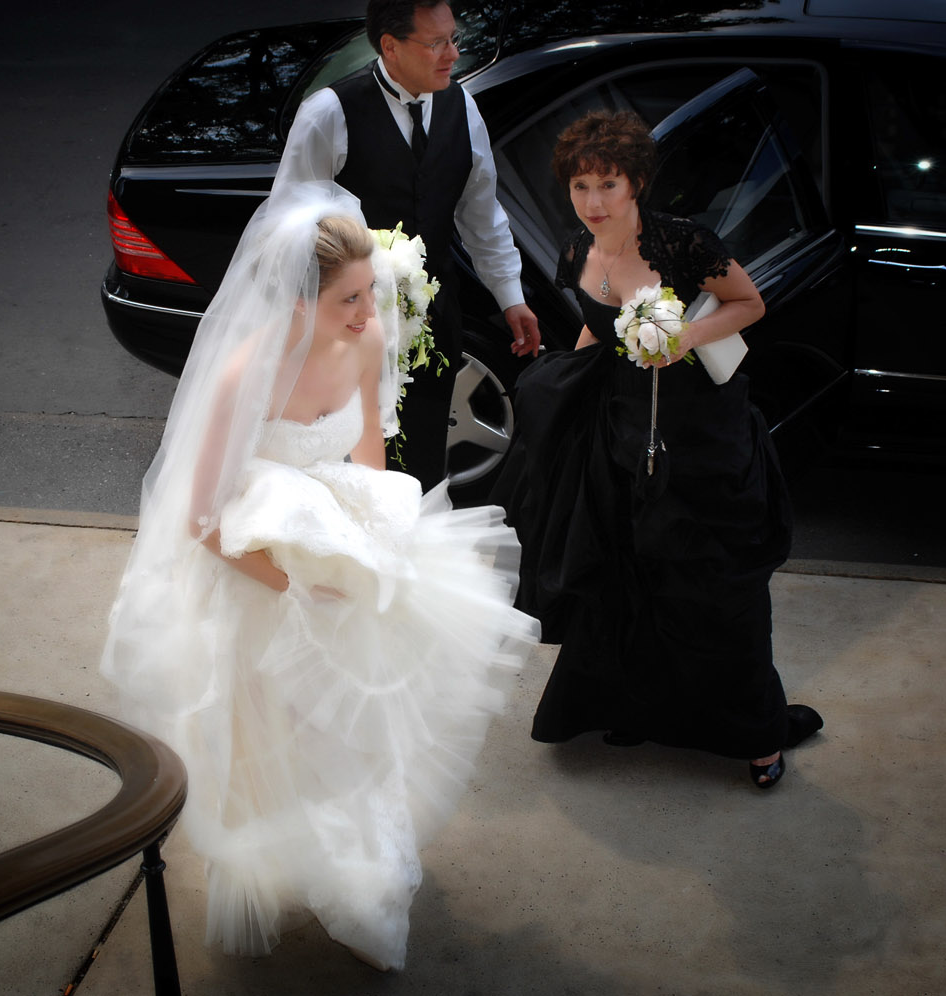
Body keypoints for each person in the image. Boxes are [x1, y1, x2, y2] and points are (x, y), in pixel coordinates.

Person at [101, 182, 539, 970]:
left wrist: (379, 545)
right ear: (297, 302)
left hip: (335, 553)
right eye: (348, 298)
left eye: (370, 292)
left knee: (356, 739)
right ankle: (283, 862)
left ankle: (361, 877)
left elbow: (370, 454)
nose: (369, 312)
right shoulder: (245, 375)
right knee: (275, 746)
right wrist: (295, 590)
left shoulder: (366, 342)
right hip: (256, 573)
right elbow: (203, 521)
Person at [492, 110, 822, 788]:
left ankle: (757, 736)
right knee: (627, 578)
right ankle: (634, 705)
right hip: (619, 432)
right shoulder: (573, 252)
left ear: (637, 182)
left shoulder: (683, 244)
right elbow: (593, 334)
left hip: (701, 437)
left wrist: (682, 339)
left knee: (716, 587)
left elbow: (748, 304)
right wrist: (560, 398)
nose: (594, 202)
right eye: (581, 187)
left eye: (608, 185)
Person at [274, 0, 540, 490]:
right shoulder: (329, 114)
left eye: (453, 38)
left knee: (418, 462)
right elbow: (290, 229)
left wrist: (511, 296)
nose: (453, 54)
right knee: (343, 467)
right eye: (437, 43)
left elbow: (481, 213)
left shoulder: (463, 106)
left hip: (434, 323)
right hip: (341, 330)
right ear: (390, 47)